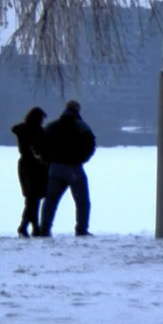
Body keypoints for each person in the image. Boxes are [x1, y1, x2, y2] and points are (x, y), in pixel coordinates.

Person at [36, 98, 98, 236]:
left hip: (55, 168)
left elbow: (40, 144)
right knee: (82, 201)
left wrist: (48, 159)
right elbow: (91, 145)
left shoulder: (52, 126)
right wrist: (82, 159)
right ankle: (81, 230)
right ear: (78, 110)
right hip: (74, 168)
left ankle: (44, 229)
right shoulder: (82, 126)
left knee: (50, 201)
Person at [12, 106, 49, 236]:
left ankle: (33, 227)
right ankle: (25, 226)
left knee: (31, 198)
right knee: (34, 198)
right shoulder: (39, 132)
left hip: (24, 166)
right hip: (37, 167)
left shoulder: (21, 130)